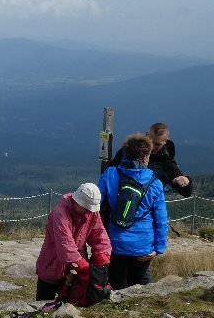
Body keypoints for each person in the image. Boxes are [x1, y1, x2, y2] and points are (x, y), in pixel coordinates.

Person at [98, 133, 168, 288]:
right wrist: (158, 248)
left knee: (117, 288)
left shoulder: (110, 174)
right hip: (143, 247)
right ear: (145, 157)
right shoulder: (155, 184)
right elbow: (161, 220)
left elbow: (95, 204)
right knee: (136, 288)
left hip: (116, 243)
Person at [35, 183, 111, 300]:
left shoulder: (91, 212)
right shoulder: (60, 214)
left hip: (74, 266)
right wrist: (83, 266)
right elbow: (65, 245)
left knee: (69, 300)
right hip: (52, 264)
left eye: (91, 208)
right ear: (77, 201)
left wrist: (103, 255)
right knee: (44, 302)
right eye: (86, 208)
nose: (89, 211)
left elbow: (99, 235)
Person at [111, 122, 193, 197]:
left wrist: (186, 182)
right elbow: (111, 170)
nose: (152, 146)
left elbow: (186, 193)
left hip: (147, 209)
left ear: (165, 141)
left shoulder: (167, 163)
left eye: (157, 144)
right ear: (146, 134)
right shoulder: (129, 150)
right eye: (150, 141)